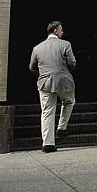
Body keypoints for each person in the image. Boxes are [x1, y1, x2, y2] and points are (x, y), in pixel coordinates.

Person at [29, 21, 77, 153]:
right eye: (61, 30)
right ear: (55, 30)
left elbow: (32, 67)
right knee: (69, 101)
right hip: (64, 80)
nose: (62, 32)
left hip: (44, 82)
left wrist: (43, 74)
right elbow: (72, 63)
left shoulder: (37, 48)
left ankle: (48, 144)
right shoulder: (66, 44)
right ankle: (62, 127)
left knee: (47, 111)